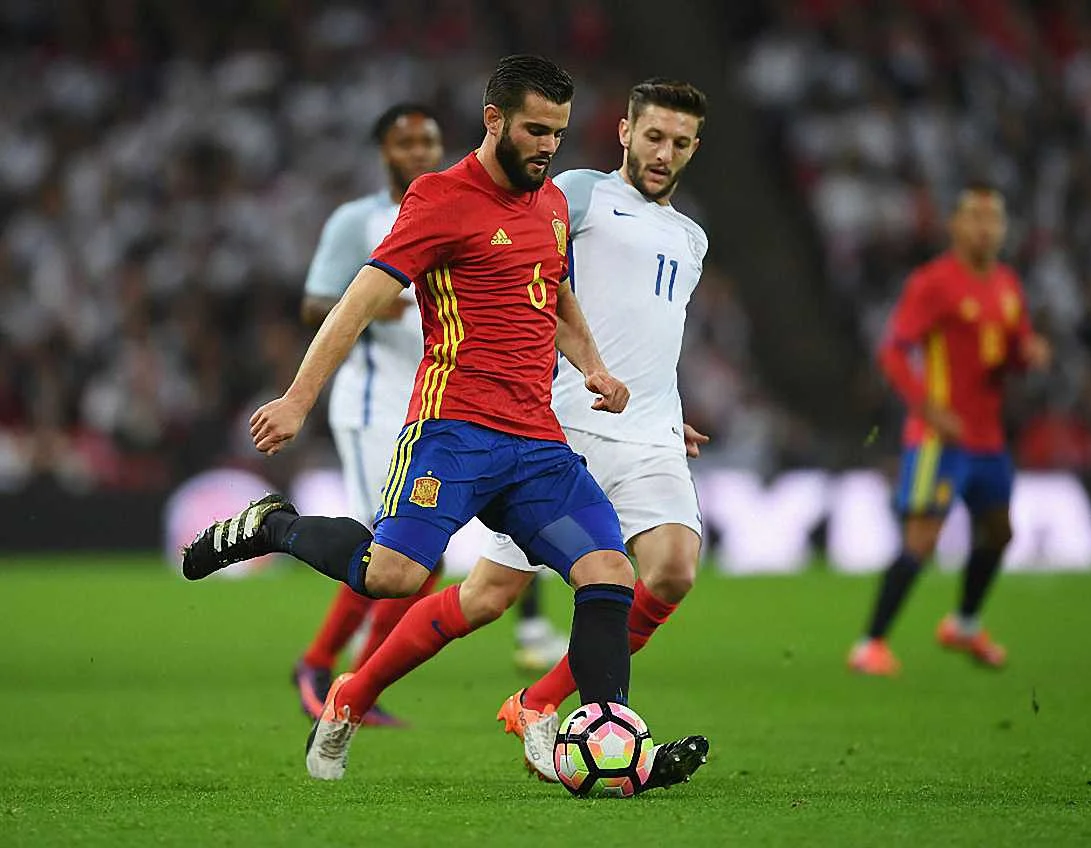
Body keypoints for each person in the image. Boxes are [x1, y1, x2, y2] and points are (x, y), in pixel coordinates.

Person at [181, 55, 706, 790]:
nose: (547, 147)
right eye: (535, 130)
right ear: (494, 120)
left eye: (557, 133)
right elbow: (359, 301)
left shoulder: (552, 205)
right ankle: (275, 527)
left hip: (537, 441)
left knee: (609, 572)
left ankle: (611, 741)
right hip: (452, 430)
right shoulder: (440, 197)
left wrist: (593, 366)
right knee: (393, 575)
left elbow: (555, 295)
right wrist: (299, 398)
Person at [291, 104, 567, 729]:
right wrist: (385, 301)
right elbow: (315, 303)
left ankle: (356, 680)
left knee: (420, 558)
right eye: (404, 143)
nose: (418, 152)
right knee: (394, 552)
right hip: (373, 402)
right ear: (382, 152)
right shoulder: (357, 220)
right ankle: (320, 666)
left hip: (446, 402)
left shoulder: (465, 205)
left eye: (429, 141)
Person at [491, 78, 712, 779]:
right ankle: (353, 689)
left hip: (648, 432)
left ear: (694, 149)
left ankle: (544, 704)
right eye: (654, 137)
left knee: (672, 571)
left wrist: (665, 412)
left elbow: (649, 335)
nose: (664, 153)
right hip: (564, 423)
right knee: (486, 595)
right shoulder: (579, 193)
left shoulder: (692, 238)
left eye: (680, 143)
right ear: (625, 132)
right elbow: (534, 289)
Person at [848, 183, 1052, 676]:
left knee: (1000, 532)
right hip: (939, 440)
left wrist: (1028, 355)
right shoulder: (933, 283)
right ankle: (870, 643)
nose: (986, 227)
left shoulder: (1007, 285)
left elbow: (1010, 353)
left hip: (988, 439)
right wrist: (928, 408)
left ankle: (964, 624)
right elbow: (893, 352)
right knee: (922, 539)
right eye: (976, 216)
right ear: (955, 225)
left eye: (994, 218)